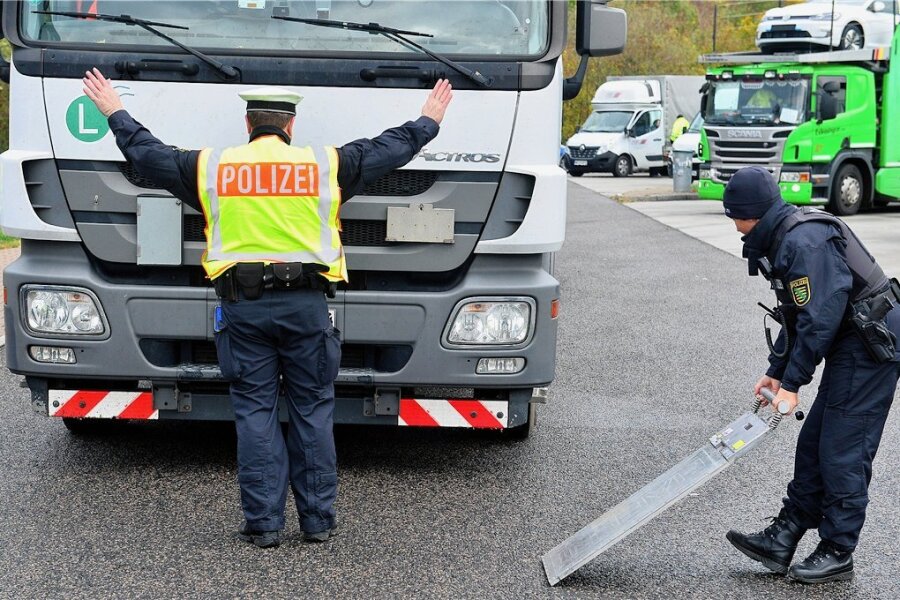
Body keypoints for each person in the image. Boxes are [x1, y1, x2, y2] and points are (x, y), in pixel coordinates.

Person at [81, 68, 453, 548]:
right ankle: (317, 522)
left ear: (248, 123)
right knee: (313, 410)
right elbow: (387, 150)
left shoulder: (212, 168)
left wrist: (115, 109)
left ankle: (264, 526)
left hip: (244, 311)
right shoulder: (324, 166)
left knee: (255, 414)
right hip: (307, 310)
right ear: (290, 126)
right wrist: (427, 121)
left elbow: (148, 155)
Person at [721, 166, 900, 583]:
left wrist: (795, 384)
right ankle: (784, 536)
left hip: (873, 343)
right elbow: (795, 315)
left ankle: (838, 551)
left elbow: (819, 318)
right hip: (852, 337)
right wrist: (776, 374)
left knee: (843, 447)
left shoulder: (803, 241)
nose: (734, 226)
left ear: (754, 213)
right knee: (815, 441)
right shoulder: (781, 235)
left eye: (736, 216)